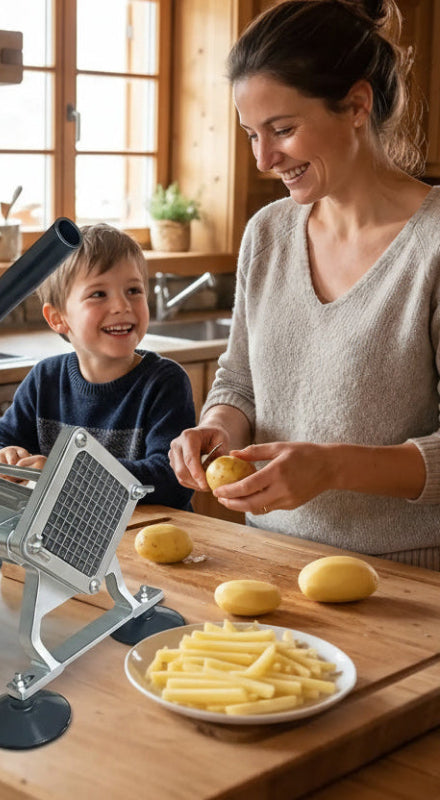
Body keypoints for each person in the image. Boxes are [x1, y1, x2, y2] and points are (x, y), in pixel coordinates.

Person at [168, 0, 440, 569]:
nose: (265, 158)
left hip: (404, 581)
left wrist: (332, 466)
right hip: (265, 559)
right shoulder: (266, 234)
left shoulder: (431, 246)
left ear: (357, 106)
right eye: (250, 135)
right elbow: (239, 380)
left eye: (283, 129)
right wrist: (216, 428)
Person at [0, 223, 195, 510]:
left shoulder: (165, 382)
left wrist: (66, 474)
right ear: (57, 318)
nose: (121, 306)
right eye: (98, 294)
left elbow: (171, 482)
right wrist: (1, 456)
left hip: (151, 538)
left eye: (133, 290)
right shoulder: (45, 380)